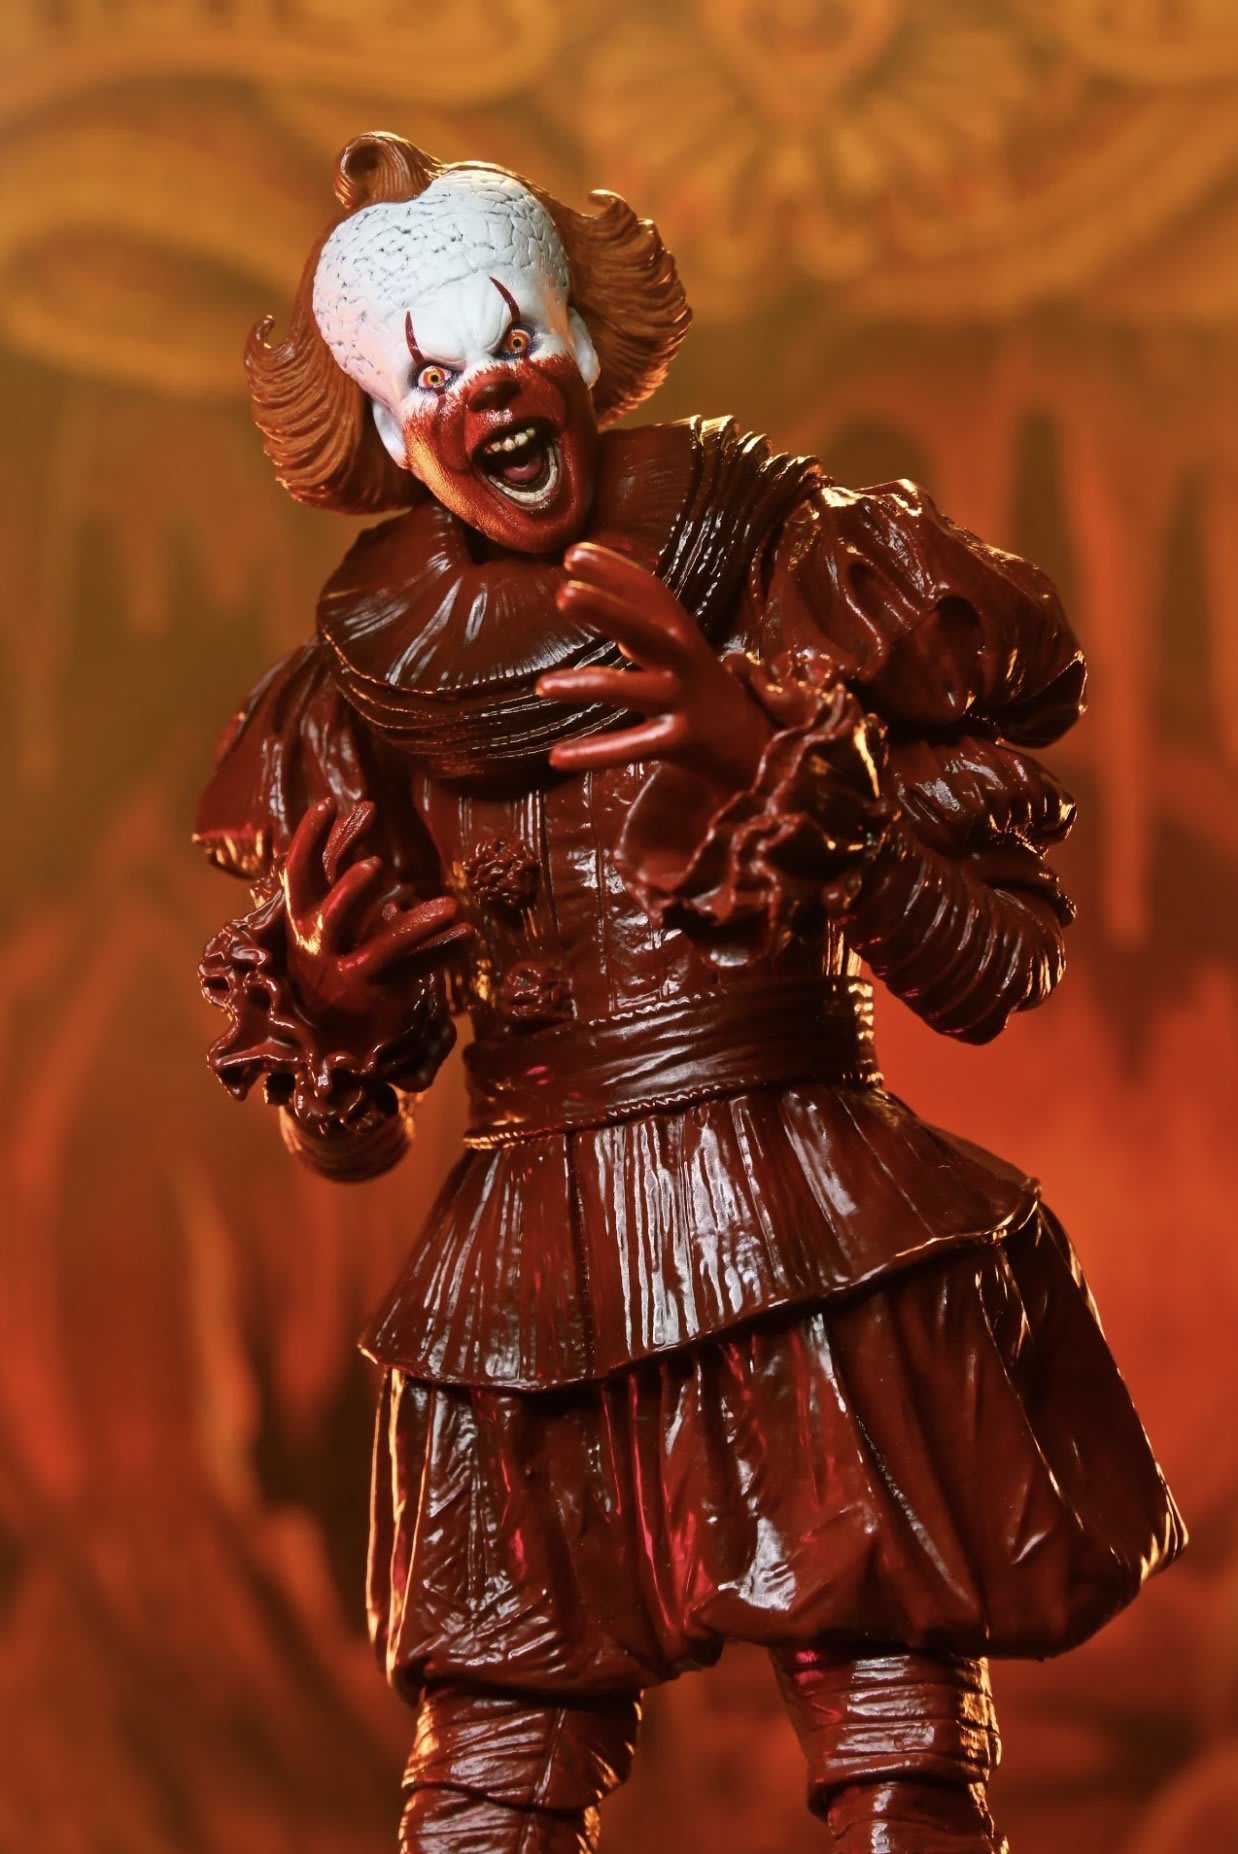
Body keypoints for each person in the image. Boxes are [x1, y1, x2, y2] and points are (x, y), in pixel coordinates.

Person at [195, 132, 1183, 1854]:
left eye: (512, 337)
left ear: (581, 340)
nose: (487, 388)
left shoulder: (802, 567)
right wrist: (338, 1021)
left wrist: (809, 786)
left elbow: (994, 967)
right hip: (526, 1281)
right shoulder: (361, 697)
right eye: (428, 376)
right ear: (383, 430)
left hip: (812, 1233)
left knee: (894, 1753)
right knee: (484, 1787)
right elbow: (346, 1142)